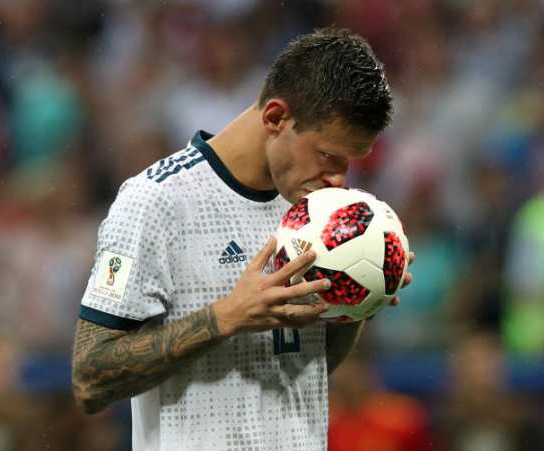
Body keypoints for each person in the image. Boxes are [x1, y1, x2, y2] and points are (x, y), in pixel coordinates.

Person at [71, 27, 413, 451]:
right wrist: (227, 316)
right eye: (329, 156)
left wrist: (355, 298)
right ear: (275, 118)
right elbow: (90, 378)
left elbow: (305, 372)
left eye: (350, 163)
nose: (339, 180)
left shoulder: (323, 214)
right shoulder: (154, 203)